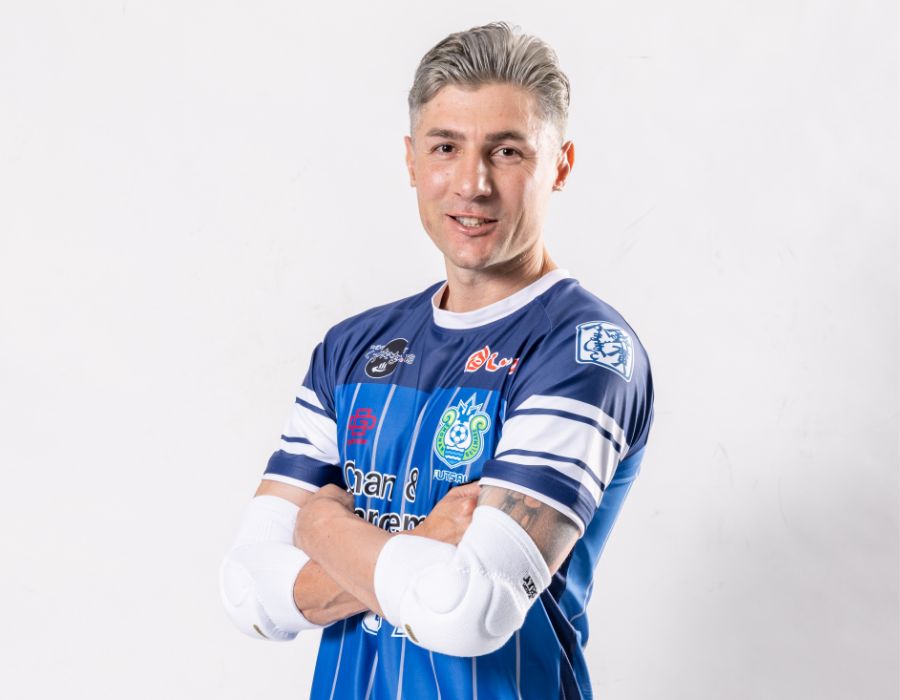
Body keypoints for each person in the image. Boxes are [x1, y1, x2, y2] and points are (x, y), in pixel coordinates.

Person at [220, 21, 654, 699]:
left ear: (560, 166)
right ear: (412, 161)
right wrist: (424, 542)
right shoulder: (353, 349)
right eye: (446, 147)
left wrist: (322, 527)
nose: (472, 183)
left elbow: (470, 612)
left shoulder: (585, 352)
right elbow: (248, 591)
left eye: (506, 151)